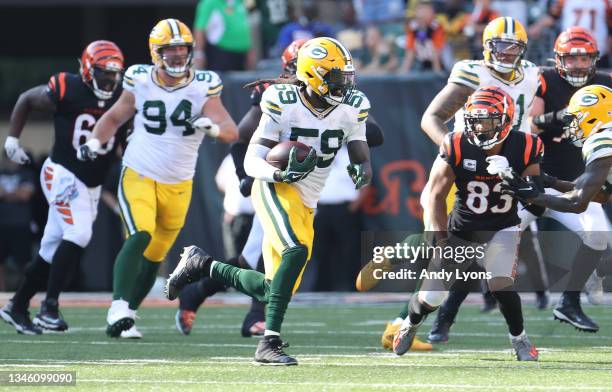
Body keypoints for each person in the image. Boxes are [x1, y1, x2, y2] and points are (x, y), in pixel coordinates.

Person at [166, 37, 373, 365]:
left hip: (308, 198)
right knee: (296, 250)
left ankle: (202, 265)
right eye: (336, 79)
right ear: (314, 75)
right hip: (275, 186)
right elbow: (251, 159)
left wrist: (363, 169)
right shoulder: (281, 101)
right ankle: (268, 343)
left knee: (275, 289)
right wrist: (278, 176)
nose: (344, 86)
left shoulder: (353, 105)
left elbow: (360, 149)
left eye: (347, 78)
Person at [79, 18, 238, 338]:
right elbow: (113, 117)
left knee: (155, 257)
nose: (178, 56)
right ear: (156, 53)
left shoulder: (204, 84)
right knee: (140, 234)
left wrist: (213, 128)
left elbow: (231, 130)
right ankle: (118, 307)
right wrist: (95, 141)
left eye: (183, 49)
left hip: (178, 182)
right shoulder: (139, 79)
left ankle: (126, 318)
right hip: (139, 171)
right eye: (171, 50)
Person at [393, 86, 542, 361]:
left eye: (488, 121)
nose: (481, 128)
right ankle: (410, 324)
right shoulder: (456, 143)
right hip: (462, 228)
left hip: (502, 226)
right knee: (431, 298)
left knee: (501, 283)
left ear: (507, 120)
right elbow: (436, 196)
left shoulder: (526, 145)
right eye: (475, 121)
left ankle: (520, 339)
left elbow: (537, 204)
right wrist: (438, 241)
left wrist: (513, 178)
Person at [0, 41, 125, 334]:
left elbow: (123, 136)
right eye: (102, 72)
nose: (109, 79)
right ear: (85, 70)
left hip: (91, 183)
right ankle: (49, 307)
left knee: (51, 246)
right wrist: (12, 140)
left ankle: (17, 306)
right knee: (78, 233)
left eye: (113, 73)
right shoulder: (68, 87)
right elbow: (27, 99)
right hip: (63, 173)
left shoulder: (122, 96)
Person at [518, 27, 612, 333]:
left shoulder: (604, 100)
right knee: (484, 235)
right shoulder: (544, 80)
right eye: (573, 59)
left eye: (586, 58)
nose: (580, 64)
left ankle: (570, 302)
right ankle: (438, 310)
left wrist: (540, 197)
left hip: (573, 181)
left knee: (598, 235)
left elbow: (580, 201)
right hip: (542, 177)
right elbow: (531, 126)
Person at [528, 0, 611, 67]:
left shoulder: (607, 2)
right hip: (569, 48)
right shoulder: (563, 1)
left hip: (597, 48)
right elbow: (552, 16)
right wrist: (537, 26)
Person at [0, 152, 35, 291]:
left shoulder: (27, 174)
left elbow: (25, 195)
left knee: (24, 262)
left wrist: (5, 195)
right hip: (1, 224)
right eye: (8, 158)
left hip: (21, 224)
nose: (11, 162)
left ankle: (25, 292)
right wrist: (16, 193)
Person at [193, 0, 253, 71]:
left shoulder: (241, 2)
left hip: (242, 54)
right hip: (220, 53)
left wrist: (250, 52)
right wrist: (199, 53)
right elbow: (200, 28)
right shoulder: (209, 2)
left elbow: (245, 28)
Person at [399, 0, 446, 73]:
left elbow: (437, 52)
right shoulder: (413, 27)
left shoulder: (437, 27)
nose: (423, 13)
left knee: (429, 44)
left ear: (432, 12)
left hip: (440, 63)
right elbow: (409, 53)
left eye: (426, 10)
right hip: (420, 63)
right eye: (420, 9)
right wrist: (402, 74)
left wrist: (437, 74)